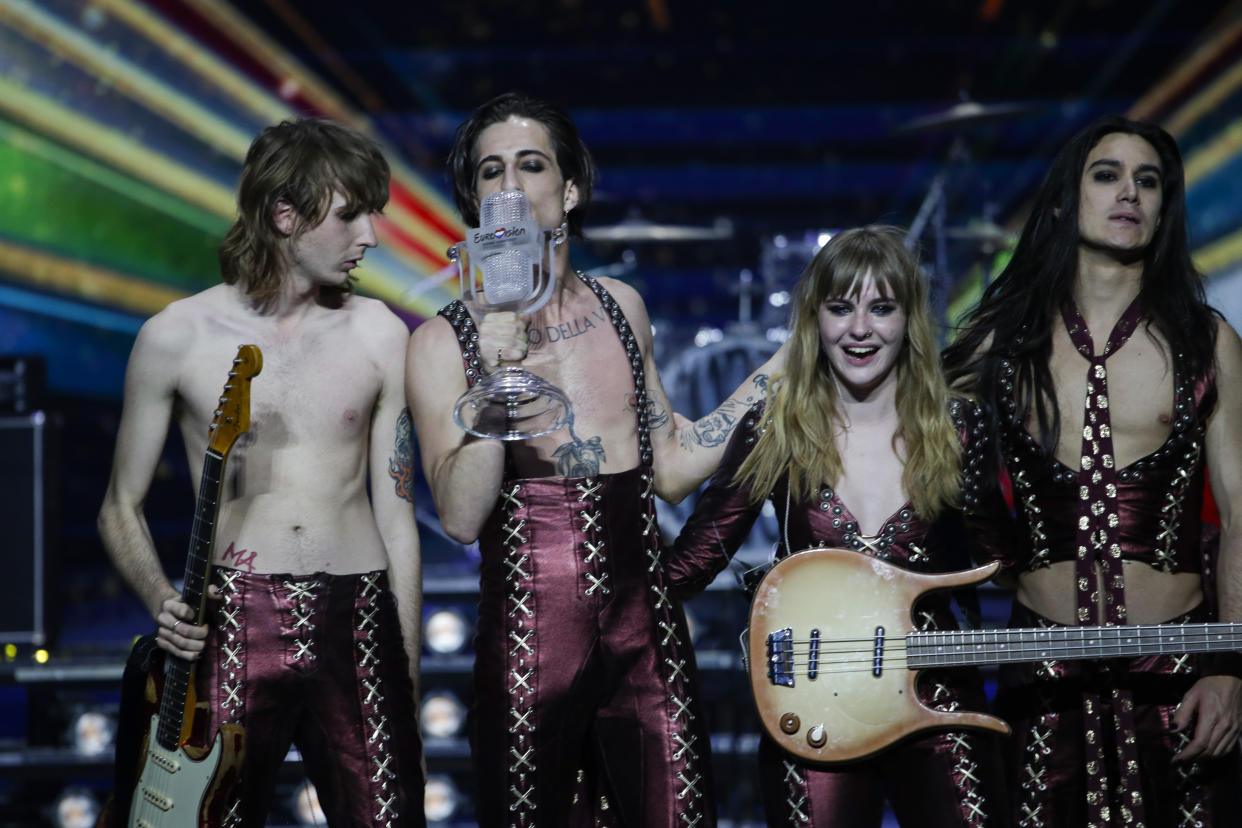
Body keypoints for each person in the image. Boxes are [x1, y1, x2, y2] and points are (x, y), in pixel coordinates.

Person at [406, 92, 779, 827]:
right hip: (528, 644)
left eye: (531, 165)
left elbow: (669, 466)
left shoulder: (621, 306)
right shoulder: (440, 342)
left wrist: (776, 374)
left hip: (646, 636)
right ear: (474, 201)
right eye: (490, 172)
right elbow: (459, 515)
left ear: (570, 189)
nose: (509, 185)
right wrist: (493, 376)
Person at [98, 118, 426, 827]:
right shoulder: (175, 337)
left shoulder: (380, 333)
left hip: (358, 617)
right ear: (285, 214)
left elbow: (399, 519)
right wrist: (162, 601)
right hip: (231, 620)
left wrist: (407, 678)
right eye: (350, 215)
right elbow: (118, 505)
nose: (370, 235)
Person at [943, 114, 1242, 826]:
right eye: (1106, 175)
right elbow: (897, 451)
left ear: (1166, 206)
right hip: (1041, 678)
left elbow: (1241, 518)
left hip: (1178, 672)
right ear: (1060, 200)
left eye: (1148, 181)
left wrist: (1232, 668)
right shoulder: (999, 341)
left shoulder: (1208, 342)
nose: (1129, 193)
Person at [666, 226, 1004, 827]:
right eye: (840, 308)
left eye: (881, 308)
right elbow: (693, 563)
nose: (860, 329)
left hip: (939, 696)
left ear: (909, 319)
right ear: (813, 318)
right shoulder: (775, 426)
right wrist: (596, 581)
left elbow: (1005, 559)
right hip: (816, 704)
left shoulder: (961, 426)